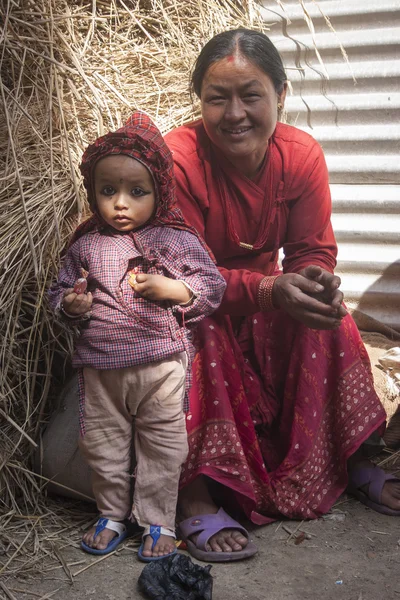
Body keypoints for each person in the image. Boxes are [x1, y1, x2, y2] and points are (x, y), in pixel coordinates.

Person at [163, 29, 400, 562]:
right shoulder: (179, 159)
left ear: (281, 96)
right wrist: (271, 289)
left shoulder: (299, 155)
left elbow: (314, 250)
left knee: (329, 316)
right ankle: (195, 492)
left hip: (263, 299)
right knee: (191, 332)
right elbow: (186, 273)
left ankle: (351, 456)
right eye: (216, 98)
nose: (234, 114)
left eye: (251, 96)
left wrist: (314, 281)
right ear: (198, 100)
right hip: (199, 298)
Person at [48, 112, 226, 561]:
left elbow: (213, 286)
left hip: (161, 365)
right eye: (108, 191)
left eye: (137, 191)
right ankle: (110, 514)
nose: (121, 203)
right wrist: (70, 304)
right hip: (101, 368)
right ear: (93, 192)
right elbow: (58, 289)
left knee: (163, 447)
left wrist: (177, 290)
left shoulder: (174, 240)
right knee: (102, 444)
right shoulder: (85, 244)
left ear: (160, 191)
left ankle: (156, 520)